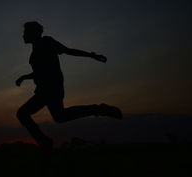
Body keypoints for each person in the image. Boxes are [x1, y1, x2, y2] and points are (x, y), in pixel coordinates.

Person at [16, 21, 122, 152]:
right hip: (44, 89)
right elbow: (40, 72)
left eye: (25, 32)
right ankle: (100, 109)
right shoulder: (35, 50)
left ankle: (45, 142)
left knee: (23, 114)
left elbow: (68, 51)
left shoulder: (47, 42)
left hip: (51, 88)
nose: (23, 35)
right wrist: (24, 77)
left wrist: (91, 55)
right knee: (60, 117)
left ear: (33, 33)